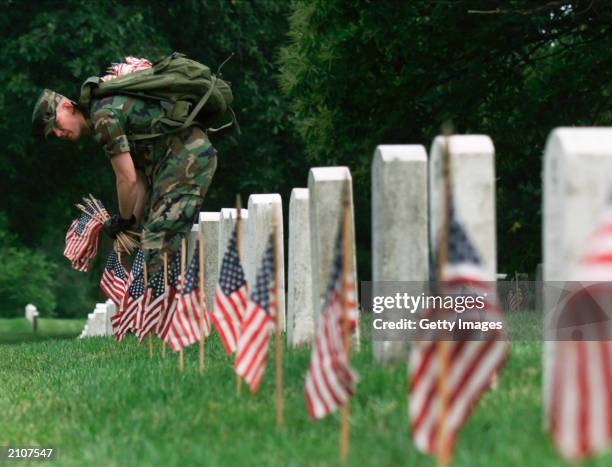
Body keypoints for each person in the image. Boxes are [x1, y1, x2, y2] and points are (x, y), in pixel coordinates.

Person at [31, 88, 217, 275]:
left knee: (157, 247)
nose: (57, 133)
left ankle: (163, 300)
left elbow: (127, 179)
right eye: (51, 132)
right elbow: (140, 177)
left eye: (55, 123)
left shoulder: (102, 116)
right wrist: (129, 225)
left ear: (68, 106)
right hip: (176, 164)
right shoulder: (100, 117)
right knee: (152, 242)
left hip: (187, 159)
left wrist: (122, 218)